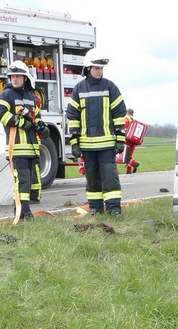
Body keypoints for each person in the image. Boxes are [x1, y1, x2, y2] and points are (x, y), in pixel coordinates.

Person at [65, 48, 127, 215]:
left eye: (101, 68)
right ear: (88, 68)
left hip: (107, 144)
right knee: (92, 180)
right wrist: (74, 143)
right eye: (97, 68)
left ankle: (114, 209)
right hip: (86, 146)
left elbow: (119, 114)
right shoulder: (79, 89)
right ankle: (95, 209)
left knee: (110, 178)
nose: (100, 71)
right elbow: (73, 117)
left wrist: (120, 139)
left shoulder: (110, 87)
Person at [0, 59, 45, 222]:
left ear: (25, 78)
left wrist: (42, 128)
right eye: (12, 76)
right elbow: (0, 113)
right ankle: (24, 213)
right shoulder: (6, 95)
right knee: (21, 182)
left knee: (28, 182)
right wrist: (22, 123)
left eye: (18, 76)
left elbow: (37, 118)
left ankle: (22, 211)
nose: (14, 79)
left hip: (31, 148)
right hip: (16, 148)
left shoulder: (31, 97)